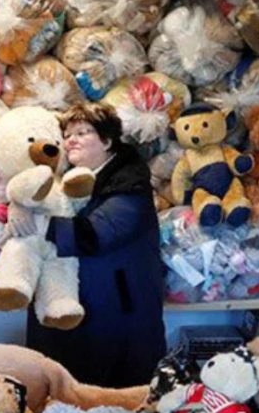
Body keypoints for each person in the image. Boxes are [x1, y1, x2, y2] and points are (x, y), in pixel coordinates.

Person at [25, 103, 167, 388]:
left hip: (118, 310)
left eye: (82, 132)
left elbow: (96, 234)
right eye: (67, 134)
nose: (71, 140)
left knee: (115, 393)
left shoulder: (128, 184)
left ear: (107, 140)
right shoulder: (67, 181)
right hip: (82, 307)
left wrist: (38, 224)